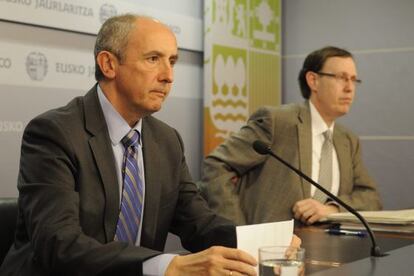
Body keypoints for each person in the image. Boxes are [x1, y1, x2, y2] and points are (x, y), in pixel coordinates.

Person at [0, 14, 300, 275]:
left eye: (172, 61)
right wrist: (167, 266)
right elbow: (59, 245)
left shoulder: (166, 140)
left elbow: (199, 223)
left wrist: (262, 240)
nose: (168, 76)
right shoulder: (55, 133)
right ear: (108, 64)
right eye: (153, 59)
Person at [199, 46, 382, 226]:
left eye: (353, 79)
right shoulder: (278, 121)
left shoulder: (347, 140)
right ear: (313, 80)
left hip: (330, 246)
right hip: (267, 249)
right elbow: (217, 165)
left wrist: (332, 209)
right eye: (342, 78)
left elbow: (370, 198)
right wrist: (237, 231)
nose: (349, 88)